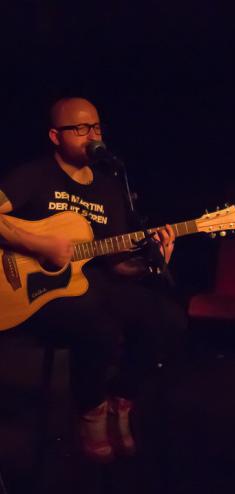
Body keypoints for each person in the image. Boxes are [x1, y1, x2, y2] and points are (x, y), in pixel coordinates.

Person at [0, 97, 187, 461]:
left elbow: (117, 265)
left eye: (97, 127)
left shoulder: (108, 187)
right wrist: (39, 244)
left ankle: (122, 397)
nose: (92, 136)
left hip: (92, 287)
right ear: (55, 136)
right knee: (97, 322)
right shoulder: (33, 175)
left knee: (167, 318)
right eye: (80, 128)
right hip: (38, 294)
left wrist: (152, 261)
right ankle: (89, 410)